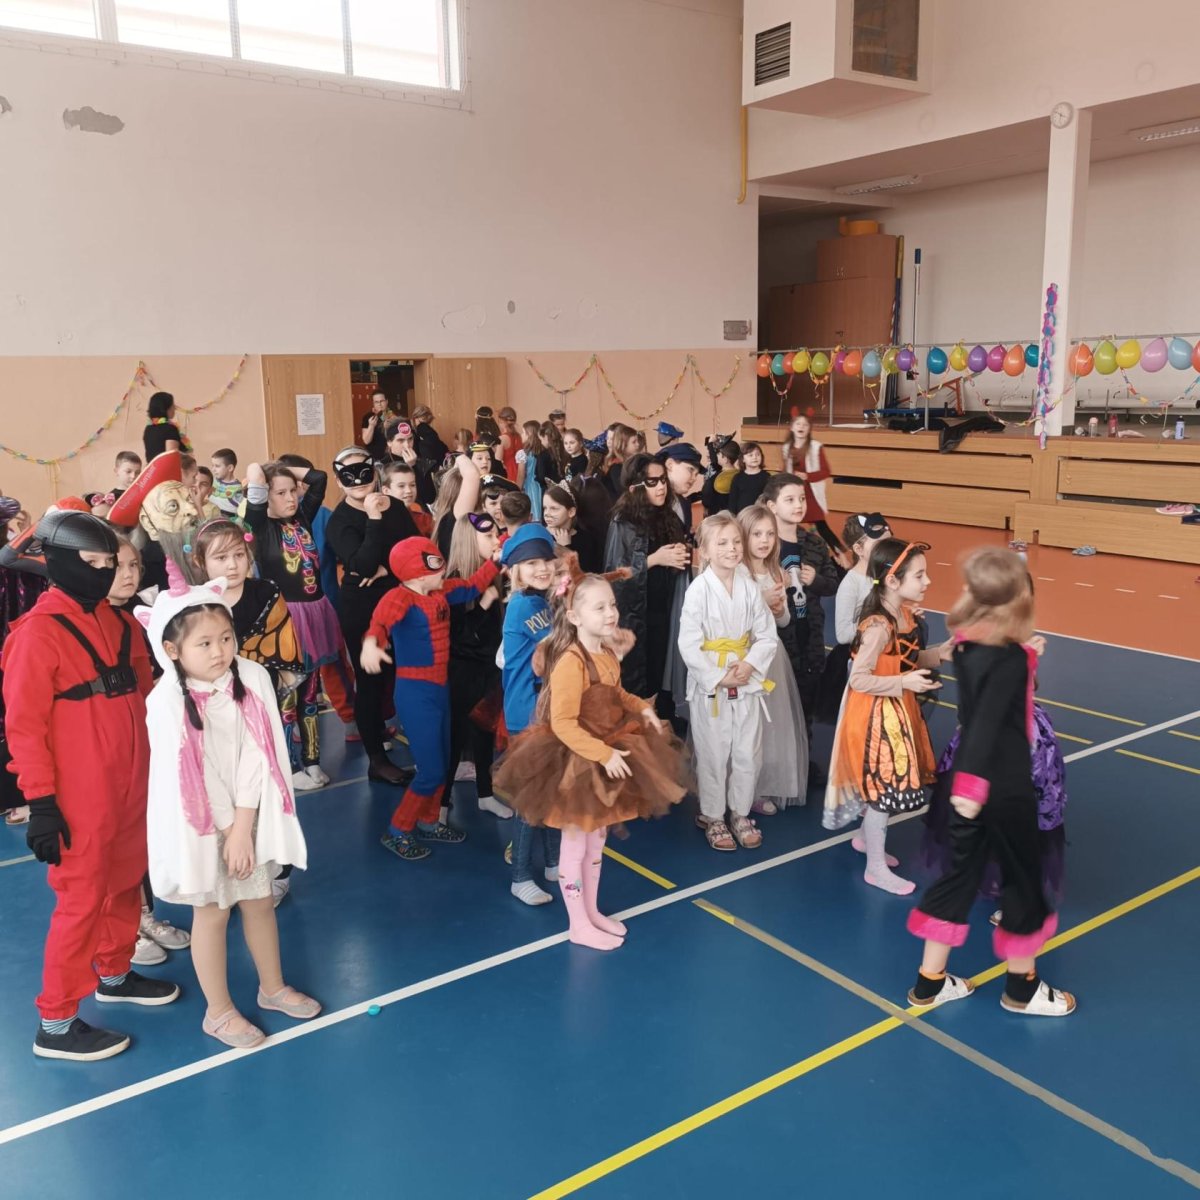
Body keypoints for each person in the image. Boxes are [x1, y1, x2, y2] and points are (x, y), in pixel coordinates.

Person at [4, 511, 179, 1061]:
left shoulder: (123, 625)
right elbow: (23, 727)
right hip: (77, 795)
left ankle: (115, 972)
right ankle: (55, 1023)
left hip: (132, 783)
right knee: (80, 901)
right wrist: (41, 803)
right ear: (59, 563)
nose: (105, 573)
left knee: (126, 881)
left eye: (111, 563)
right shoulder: (36, 635)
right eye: (93, 563)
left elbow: (146, 698)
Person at [136, 572, 317, 1048]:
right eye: (204, 643)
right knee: (213, 913)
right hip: (203, 826)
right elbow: (192, 775)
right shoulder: (165, 701)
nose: (219, 651)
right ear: (172, 650)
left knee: (258, 902)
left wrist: (243, 824)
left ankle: (272, 988)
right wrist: (228, 829)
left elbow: (260, 752)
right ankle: (217, 1012)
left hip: (246, 816)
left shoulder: (251, 676)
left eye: (226, 637)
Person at [906, 548, 1075, 1017]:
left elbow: (989, 697)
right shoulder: (1009, 659)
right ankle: (1023, 989)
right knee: (1022, 883)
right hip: (1001, 786)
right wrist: (973, 789)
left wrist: (1026, 656)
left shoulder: (968, 645)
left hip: (969, 783)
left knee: (959, 879)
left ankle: (929, 983)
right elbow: (984, 727)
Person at [494, 572, 688, 948]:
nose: (611, 613)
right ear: (575, 617)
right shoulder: (571, 661)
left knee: (596, 841)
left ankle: (592, 911)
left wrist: (641, 708)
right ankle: (578, 924)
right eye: (600, 608)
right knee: (576, 844)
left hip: (601, 751)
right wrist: (604, 753)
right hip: (576, 762)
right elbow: (563, 723)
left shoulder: (606, 653)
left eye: (612, 605)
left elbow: (616, 693)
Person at [822, 538, 950, 895]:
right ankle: (875, 869)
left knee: (884, 784)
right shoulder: (878, 626)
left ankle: (865, 840)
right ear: (892, 581)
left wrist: (939, 653)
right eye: (919, 576)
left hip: (896, 709)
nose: (927, 582)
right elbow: (859, 679)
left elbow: (905, 660)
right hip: (875, 716)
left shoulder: (902, 615)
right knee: (883, 788)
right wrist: (903, 682)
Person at [361, 537, 499, 862]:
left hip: (439, 691)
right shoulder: (400, 597)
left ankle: (428, 820)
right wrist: (371, 644)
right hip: (416, 695)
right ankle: (398, 829)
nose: (444, 571)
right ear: (419, 572)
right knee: (431, 771)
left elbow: (473, 585)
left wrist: (496, 559)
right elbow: (380, 622)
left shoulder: (440, 592)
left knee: (444, 759)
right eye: (437, 566)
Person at [678, 514, 778, 851]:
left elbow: (767, 635)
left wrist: (749, 664)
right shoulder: (698, 591)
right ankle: (713, 815)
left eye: (736, 541)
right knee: (713, 751)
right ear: (704, 551)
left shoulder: (750, 587)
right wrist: (719, 676)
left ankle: (740, 812)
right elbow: (688, 644)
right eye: (722, 543)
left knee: (748, 751)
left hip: (745, 677)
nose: (732, 548)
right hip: (713, 684)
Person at [243, 458, 341, 790]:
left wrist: (282, 468)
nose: (291, 498)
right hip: (285, 622)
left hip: (314, 617)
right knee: (286, 696)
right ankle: (289, 764)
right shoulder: (259, 526)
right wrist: (265, 471)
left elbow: (319, 478)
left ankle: (312, 760)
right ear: (264, 496)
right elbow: (254, 475)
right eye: (281, 493)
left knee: (310, 696)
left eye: (293, 491)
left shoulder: (302, 518)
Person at [324, 448, 419, 786]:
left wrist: (386, 569)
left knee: (405, 673)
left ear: (374, 472)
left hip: (400, 601)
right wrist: (374, 518)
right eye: (347, 476)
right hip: (362, 610)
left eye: (363, 472)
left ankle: (409, 737)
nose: (357, 481)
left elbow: (414, 551)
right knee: (371, 681)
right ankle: (376, 761)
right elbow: (362, 565)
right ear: (339, 481)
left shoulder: (395, 507)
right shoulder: (339, 521)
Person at [498, 525, 561, 904]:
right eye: (531, 563)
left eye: (546, 561)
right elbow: (561, 645)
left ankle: (554, 862)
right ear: (516, 571)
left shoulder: (543, 601)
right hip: (528, 711)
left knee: (552, 790)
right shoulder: (525, 605)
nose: (542, 568)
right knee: (531, 798)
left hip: (547, 707)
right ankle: (520, 875)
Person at [603, 454, 690, 713]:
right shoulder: (623, 521)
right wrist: (654, 560)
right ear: (636, 487)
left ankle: (661, 717)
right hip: (636, 615)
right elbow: (615, 575)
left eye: (663, 480)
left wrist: (681, 554)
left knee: (661, 671)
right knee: (638, 678)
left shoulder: (667, 516)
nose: (661, 487)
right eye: (653, 482)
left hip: (664, 609)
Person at [737, 504, 809, 815]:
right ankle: (740, 785)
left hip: (771, 657)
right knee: (746, 725)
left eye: (769, 534)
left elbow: (783, 621)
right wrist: (760, 601)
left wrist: (779, 610)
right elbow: (734, 619)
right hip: (745, 655)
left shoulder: (775, 570)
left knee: (769, 725)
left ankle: (763, 784)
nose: (764, 540)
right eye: (757, 534)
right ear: (743, 536)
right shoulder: (738, 572)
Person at [761, 473, 838, 754]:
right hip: (777, 639)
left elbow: (832, 584)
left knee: (806, 700)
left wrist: (815, 580)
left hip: (810, 637)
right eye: (790, 499)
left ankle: (802, 759)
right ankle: (775, 763)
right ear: (772, 506)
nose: (798, 505)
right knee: (775, 703)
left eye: (802, 499)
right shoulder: (764, 545)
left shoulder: (814, 543)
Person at [443, 512, 512, 820]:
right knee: (456, 737)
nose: (496, 540)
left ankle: (485, 794)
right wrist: (484, 605)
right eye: (488, 536)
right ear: (470, 540)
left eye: (496, 534)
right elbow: (458, 637)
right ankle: (441, 803)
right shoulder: (456, 580)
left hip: (488, 666)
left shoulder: (494, 575)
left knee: (484, 732)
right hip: (462, 670)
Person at [814, 512, 893, 725]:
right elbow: (842, 635)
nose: (886, 550)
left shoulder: (883, 576)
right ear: (859, 549)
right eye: (880, 545)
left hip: (883, 657)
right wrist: (875, 625)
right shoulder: (851, 584)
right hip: (858, 664)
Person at [780, 409, 845, 560]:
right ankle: (791, 555)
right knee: (790, 525)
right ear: (792, 427)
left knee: (822, 527)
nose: (801, 427)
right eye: (798, 424)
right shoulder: (787, 447)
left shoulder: (816, 447)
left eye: (805, 425)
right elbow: (784, 471)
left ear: (809, 429)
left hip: (811, 493)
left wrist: (807, 476)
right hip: (794, 493)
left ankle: (841, 556)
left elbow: (825, 471)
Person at [543, 484, 601, 573]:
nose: (547, 513)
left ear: (571, 512)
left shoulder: (586, 540)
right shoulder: (540, 536)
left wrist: (566, 548)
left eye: (554, 508)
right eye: (545, 508)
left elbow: (587, 574)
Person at [656, 442, 704, 536]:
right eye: (690, 469)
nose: (694, 478)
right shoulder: (650, 504)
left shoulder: (685, 503)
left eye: (696, 474)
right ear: (670, 464)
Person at [381, 460, 433, 536]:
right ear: (386, 491)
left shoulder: (424, 520)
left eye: (412, 485)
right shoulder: (379, 521)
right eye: (401, 486)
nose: (409, 490)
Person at [143, 391, 188, 460]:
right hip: (167, 466)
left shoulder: (148, 429)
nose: (174, 408)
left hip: (153, 466)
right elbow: (171, 458)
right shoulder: (170, 429)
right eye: (173, 405)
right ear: (166, 408)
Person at [700, 439, 740, 516]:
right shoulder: (740, 475)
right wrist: (710, 444)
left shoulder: (717, 479)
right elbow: (714, 461)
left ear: (725, 459)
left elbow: (706, 500)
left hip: (717, 515)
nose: (716, 456)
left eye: (718, 454)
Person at [728, 441, 769, 514]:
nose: (755, 457)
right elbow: (732, 502)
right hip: (741, 515)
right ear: (743, 459)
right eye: (750, 455)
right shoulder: (737, 478)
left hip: (759, 515)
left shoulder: (766, 477)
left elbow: (768, 499)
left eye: (758, 454)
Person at [517, 420, 544, 520]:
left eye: (523, 432)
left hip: (529, 486)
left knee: (532, 510)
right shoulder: (543, 451)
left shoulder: (523, 453)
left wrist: (517, 489)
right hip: (541, 486)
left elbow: (521, 475)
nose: (521, 435)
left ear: (529, 435)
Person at [411, 404, 450, 470]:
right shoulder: (430, 431)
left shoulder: (421, 428)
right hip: (437, 464)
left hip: (427, 466)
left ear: (416, 419)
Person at [361, 391, 394, 461]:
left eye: (382, 401)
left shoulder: (391, 415)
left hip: (390, 456)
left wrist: (388, 427)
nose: (379, 404)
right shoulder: (368, 417)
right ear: (373, 403)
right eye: (376, 402)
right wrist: (371, 426)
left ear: (387, 401)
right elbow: (366, 441)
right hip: (374, 457)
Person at [210, 448, 243, 516]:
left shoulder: (238, 488)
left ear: (230, 468)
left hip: (227, 519)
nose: (213, 469)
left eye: (217, 466)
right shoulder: (213, 481)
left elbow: (241, 510)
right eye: (212, 465)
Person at [497, 406, 521, 483]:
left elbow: (498, 461)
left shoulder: (502, 439)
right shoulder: (518, 436)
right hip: (520, 471)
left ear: (501, 421)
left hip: (508, 473)